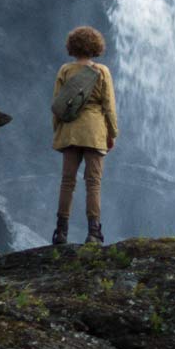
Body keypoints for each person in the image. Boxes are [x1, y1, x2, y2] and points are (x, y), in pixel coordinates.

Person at [51, 26, 118, 245]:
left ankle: (60, 232)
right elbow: (109, 106)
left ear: (72, 46)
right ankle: (93, 233)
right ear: (96, 47)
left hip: (70, 131)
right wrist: (112, 133)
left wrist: (58, 131)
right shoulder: (102, 71)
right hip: (95, 132)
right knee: (93, 183)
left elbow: (57, 106)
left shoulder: (65, 70)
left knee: (67, 182)